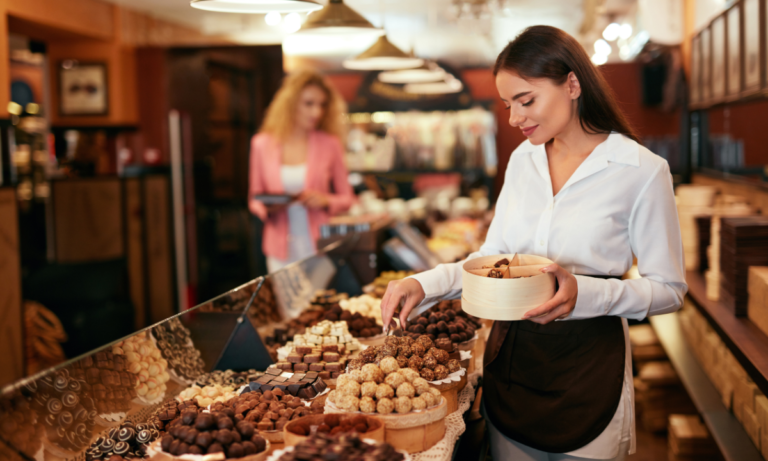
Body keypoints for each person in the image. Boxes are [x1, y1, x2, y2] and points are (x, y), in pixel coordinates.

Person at [380, 25, 687, 461]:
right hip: (513, 361)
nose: (514, 118)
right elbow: (492, 259)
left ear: (573, 84)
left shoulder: (641, 170)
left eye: (526, 101)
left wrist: (584, 291)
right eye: (508, 105)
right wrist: (425, 284)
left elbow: (669, 290)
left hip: (589, 367)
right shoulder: (523, 159)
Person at [249, 70, 355, 273]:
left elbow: (347, 198)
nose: (317, 112)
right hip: (279, 249)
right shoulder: (262, 144)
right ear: (290, 104)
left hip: (319, 247)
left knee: (319, 304)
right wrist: (268, 208)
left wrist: (325, 200)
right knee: (289, 305)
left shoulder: (329, 144)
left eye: (322, 105)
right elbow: (254, 198)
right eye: (309, 104)